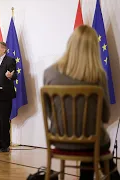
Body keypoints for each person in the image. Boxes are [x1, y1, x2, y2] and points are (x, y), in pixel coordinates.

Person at [43, 25, 120, 180]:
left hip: (59, 139)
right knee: (95, 140)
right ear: (94, 48)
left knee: (93, 140)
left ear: (70, 44)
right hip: (92, 142)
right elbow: (105, 117)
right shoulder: (98, 75)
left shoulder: (49, 73)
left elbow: (50, 113)